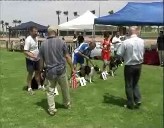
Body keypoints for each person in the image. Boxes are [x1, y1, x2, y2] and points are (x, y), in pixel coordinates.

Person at [39, 26, 74, 115]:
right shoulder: (61, 42)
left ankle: (51, 109)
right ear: (56, 32)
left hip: (49, 71)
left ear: (48, 33)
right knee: (65, 89)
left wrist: (41, 71)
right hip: (61, 70)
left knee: (50, 91)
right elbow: (67, 56)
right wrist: (72, 68)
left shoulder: (43, 44)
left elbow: (41, 60)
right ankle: (67, 104)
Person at [117, 26, 144, 109]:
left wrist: (122, 58)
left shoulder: (126, 42)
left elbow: (119, 54)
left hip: (129, 65)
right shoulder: (142, 41)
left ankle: (130, 103)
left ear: (129, 32)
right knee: (135, 83)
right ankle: (137, 99)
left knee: (129, 85)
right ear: (136, 32)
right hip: (139, 65)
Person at [24, 26, 43, 95]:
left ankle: (39, 86)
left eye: (36, 31)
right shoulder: (28, 40)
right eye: (34, 31)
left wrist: (38, 55)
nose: (36, 33)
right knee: (30, 73)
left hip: (37, 59)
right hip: (30, 60)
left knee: (37, 73)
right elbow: (25, 51)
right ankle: (29, 87)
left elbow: (36, 48)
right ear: (30, 32)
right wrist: (33, 56)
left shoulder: (36, 38)